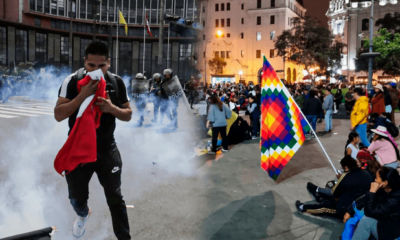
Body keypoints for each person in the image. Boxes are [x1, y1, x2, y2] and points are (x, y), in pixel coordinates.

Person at [54, 42, 132, 239]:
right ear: (84, 63)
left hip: (106, 150)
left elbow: (128, 114)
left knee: (115, 198)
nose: (96, 71)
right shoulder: (73, 81)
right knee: (76, 199)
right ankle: (82, 214)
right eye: (91, 66)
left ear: (109, 63)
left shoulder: (116, 82)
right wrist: (83, 95)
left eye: (101, 66)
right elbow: (58, 114)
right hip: (79, 151)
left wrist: (111, 108)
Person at [296, 156, 372, 218]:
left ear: (346, 167)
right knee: (331, 199)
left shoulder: (346, 177)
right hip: (360, 205)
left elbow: (334, 192)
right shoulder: (365, 173)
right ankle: (318, 195)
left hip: (345, 208)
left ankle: (303, 207)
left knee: (324, 207)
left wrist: (340, 179)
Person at [344, 167, 400, 240]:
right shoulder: (387, 189)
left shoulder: (395, 200)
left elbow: (370, 213)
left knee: (366, 221)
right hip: (384, 221)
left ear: (385, 182)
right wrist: (349, 210)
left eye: (377, 178)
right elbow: (364, 199)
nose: (375, 180)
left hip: (391, 232)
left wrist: (372, 192)